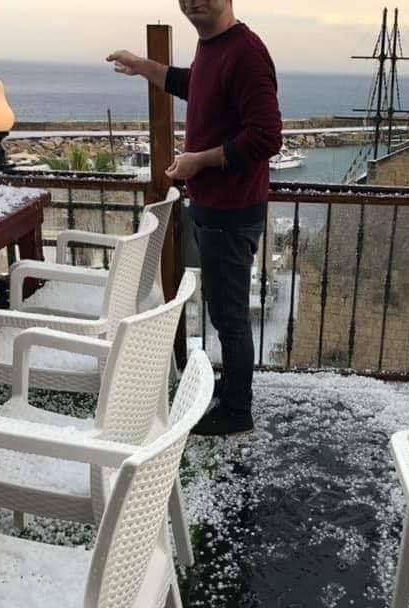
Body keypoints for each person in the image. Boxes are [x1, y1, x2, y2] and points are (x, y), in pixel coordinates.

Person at [108, 0, 282, 437]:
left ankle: (237, 411)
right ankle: (232, 389)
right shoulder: (213, 48)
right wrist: (143, 66)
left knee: (230, 317)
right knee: (223, 311)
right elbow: (193, 86)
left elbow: (267, 136)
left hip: (231, 210)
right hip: (213, 207)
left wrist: (197, 161)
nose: (192, 2)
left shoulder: (246, 52)